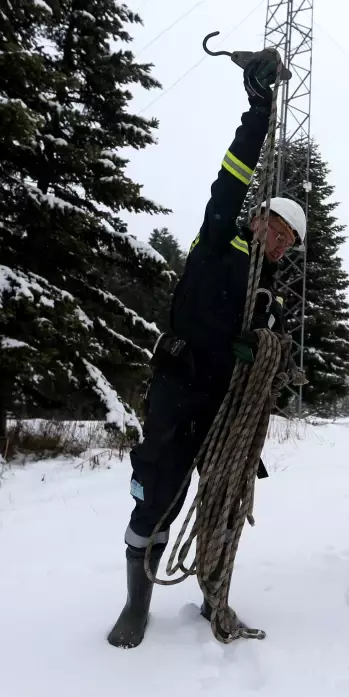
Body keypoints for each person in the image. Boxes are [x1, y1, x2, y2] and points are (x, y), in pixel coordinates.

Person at [108, 52, 306, 649]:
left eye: (287, 242)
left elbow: (274, 355)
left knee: (220, 506)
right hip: (178, 391)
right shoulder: (219, 237)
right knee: (159, 496)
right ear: (258, 218)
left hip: (224, 412)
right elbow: (234, 173)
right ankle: (136, 601)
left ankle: (212, 593)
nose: (277, 243)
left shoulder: (268, 295)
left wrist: (262, 348)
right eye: (274, 229)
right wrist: (258, 114)